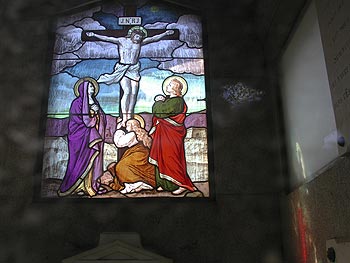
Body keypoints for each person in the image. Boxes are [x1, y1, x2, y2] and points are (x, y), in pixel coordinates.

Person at [86, 26, 174, 127]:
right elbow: (108, 38)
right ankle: (125, 117)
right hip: (123, 68)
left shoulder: (140, 43)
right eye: (136, 36)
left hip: (134, 68)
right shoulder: (122, 40)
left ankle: (130, 115)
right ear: (132, 35)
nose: (138, 39)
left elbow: (154, 38)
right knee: (127, 91)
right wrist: (94, 35)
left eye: (140, 38)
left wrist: (165, 34)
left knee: (134, 93)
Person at [58, 77, 106, 197]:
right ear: (83, 89)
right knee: (80, 161)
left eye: (93, 86)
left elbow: (101, 118)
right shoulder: (77, 103)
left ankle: (90, 185)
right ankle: (77, 186)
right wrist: (93, 114)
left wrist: (96, 114)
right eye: (90, 86)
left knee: (93, 159)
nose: (93, 88)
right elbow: (81, 121)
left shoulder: (95, 102)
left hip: (91, 136)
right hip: (79, 137)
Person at [148, 76, 196, 195]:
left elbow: (160, 112)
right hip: (163, 134)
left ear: (176, 89)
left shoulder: (177, 101)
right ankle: (164, 184)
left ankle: (180, 184)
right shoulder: (170, 100)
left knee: (171, 159)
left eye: (170, 85)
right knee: (161, 157)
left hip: (172, 135)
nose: (167, 86)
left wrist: (158, 101)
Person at [107, 117, 156, 194]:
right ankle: (135, 184)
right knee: (118, 167)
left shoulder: (133, 133)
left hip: (140, 153)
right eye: (127, 125)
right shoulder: (138, 133)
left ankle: (137, 184)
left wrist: (119, 129)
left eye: (128, 125)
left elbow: (119, 143)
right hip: (139, 153)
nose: (127, 127)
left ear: (134, 126)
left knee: (122, 167)